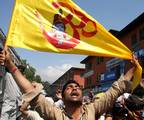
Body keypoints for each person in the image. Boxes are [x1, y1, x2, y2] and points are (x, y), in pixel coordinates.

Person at [0, 47, 137, 120]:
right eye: (69, 87)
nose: (74, 88)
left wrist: (132, 67)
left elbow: (115, 90)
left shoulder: (92, 109)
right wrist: (11, 66)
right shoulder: (56, 115)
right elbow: (32, 93)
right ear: (63, 98)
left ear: (82, 95)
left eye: (77, 87)